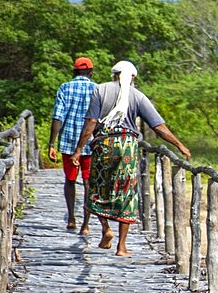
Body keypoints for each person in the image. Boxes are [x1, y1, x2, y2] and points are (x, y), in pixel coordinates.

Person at [71, 60, 191, 257]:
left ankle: (105, 228)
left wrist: (78, 150)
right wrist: (179, 144)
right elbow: (158, 126)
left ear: (114, 74)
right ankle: (122, 247)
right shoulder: (138, 96)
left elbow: (91, 122)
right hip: (127, 146)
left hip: (104, 144)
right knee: (126, 193)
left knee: (97, 189)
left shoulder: (100, 91)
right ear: (133, 77)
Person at [48, 56, 96, 234]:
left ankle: (71, 218)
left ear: (74, 71)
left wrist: (52, 143)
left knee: (70, 180)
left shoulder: (65, 88)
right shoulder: (97, 89)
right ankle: (86, 223)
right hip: (90, 143)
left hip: (68, 141)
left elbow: (58, 117)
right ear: (91, 73)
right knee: (88, 182)